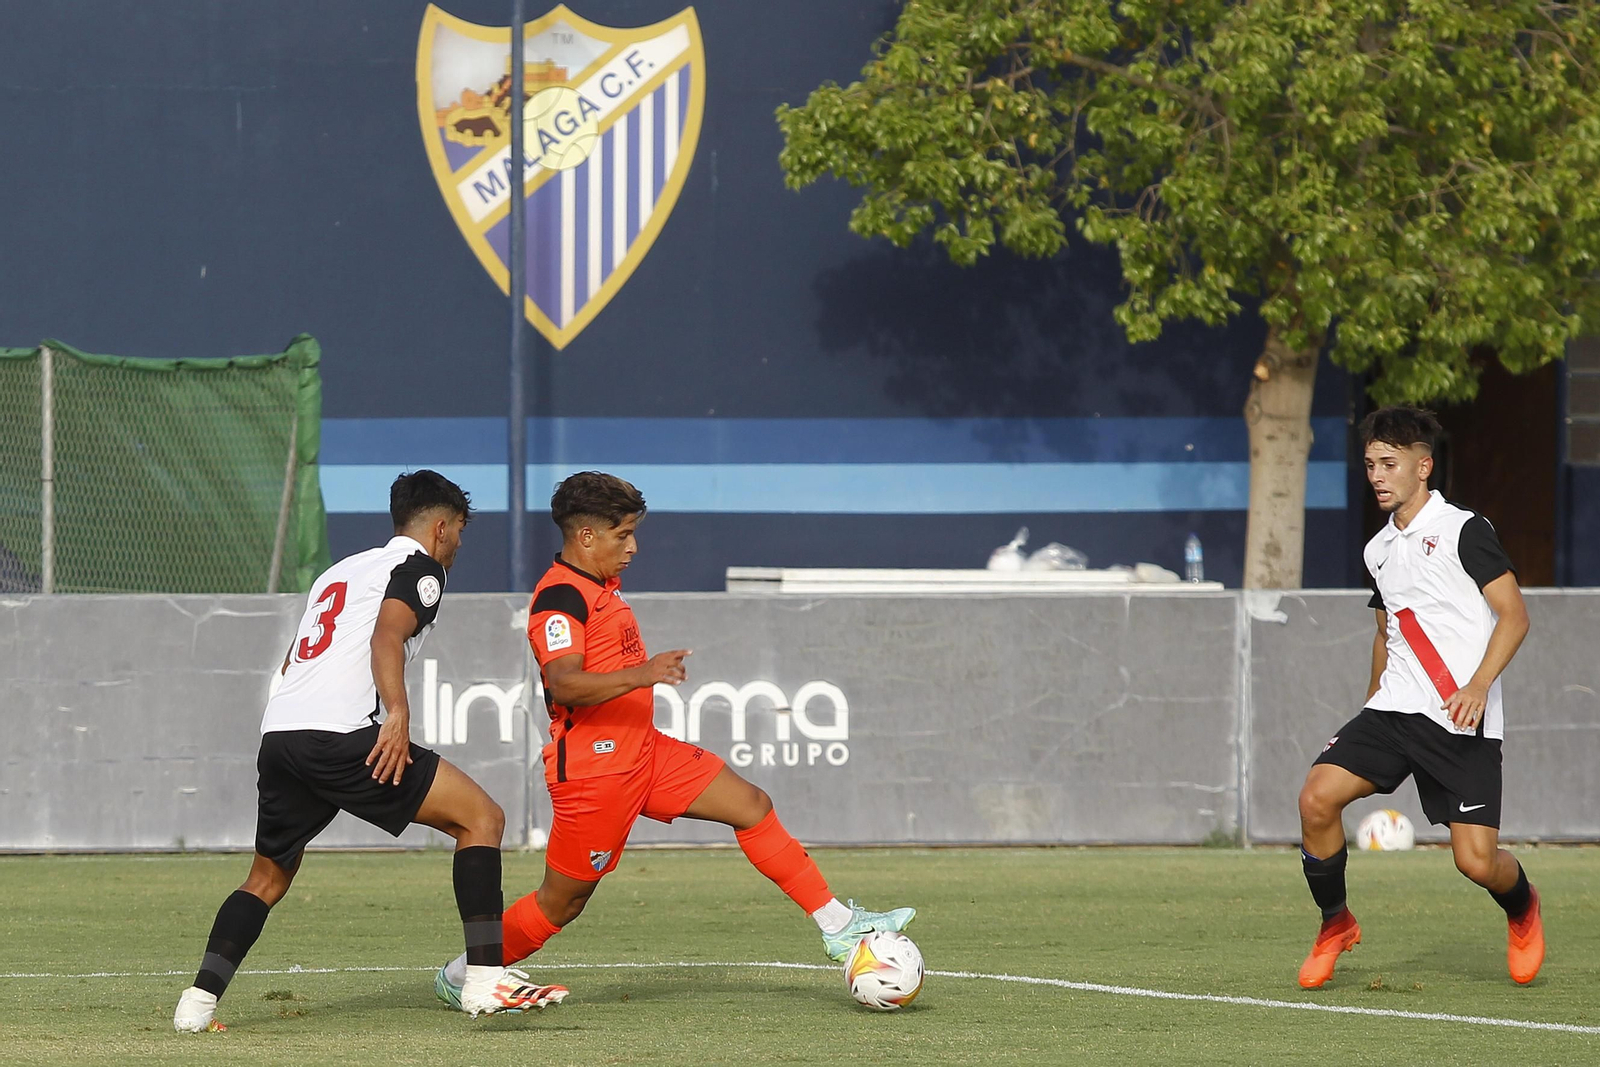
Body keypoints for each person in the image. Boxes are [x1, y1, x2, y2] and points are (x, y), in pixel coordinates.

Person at [433, 471, 915, 1008]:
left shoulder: (599, 587)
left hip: (645, 751)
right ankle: (464, 972)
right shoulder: (560, 597)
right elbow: (563, 682)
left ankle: (839, 925)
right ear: (586, 536)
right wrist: (644, 674)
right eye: (623, 535)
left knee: (751, 805)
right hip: (597, 772)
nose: (633, 547)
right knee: (561, 902)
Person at [174, 471, 562, 1032]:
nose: (458, 544)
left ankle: (197, 1003)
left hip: (282, 733)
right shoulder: (422, 570)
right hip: (340, 734)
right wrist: (397, 715)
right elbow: (387, 635)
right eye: (459, 531)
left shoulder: (339, 571)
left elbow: (292, 661)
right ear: (441, 527)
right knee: (482, 818)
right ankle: (483, 979)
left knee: (266, 877)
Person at [1295, 407, 1542, 989]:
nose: (1377, 476)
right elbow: (1386, 634)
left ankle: (1523, 906)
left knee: (1476, 862)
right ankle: (1336, 922)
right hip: (1392, 711)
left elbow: (1514, 615)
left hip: (1458, 716)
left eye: (1389, 463)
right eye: (1370, 465)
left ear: (1423, 466)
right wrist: (1369, 705)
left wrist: (1478, 685)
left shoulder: (1464, 529)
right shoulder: (1378, 549)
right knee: (1316, 799)